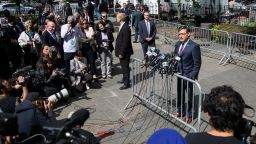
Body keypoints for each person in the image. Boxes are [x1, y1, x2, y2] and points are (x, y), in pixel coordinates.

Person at [174, 26, 201, 123]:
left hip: (189, 75)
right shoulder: (177, 44)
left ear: (188, 34)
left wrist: (192, 76)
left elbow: (197, 64)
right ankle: (180, 110)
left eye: (182, 34)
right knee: (180, 94)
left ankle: (190, 114)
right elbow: (175, 56)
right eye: (179, 34)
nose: (180, 36)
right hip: (180, 74)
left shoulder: (194, 46)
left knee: (189, 96)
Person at [115, 13, 133, 90]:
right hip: (121, 51)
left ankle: (126, 83)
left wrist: (121, 53)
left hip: (124, 52)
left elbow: (125, 42)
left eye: (117, 17)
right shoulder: (122, 26)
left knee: (125, 67)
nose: (116, 19)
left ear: (121, 18)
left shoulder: (126, 27)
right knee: (123, 67)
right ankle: (124, 79)